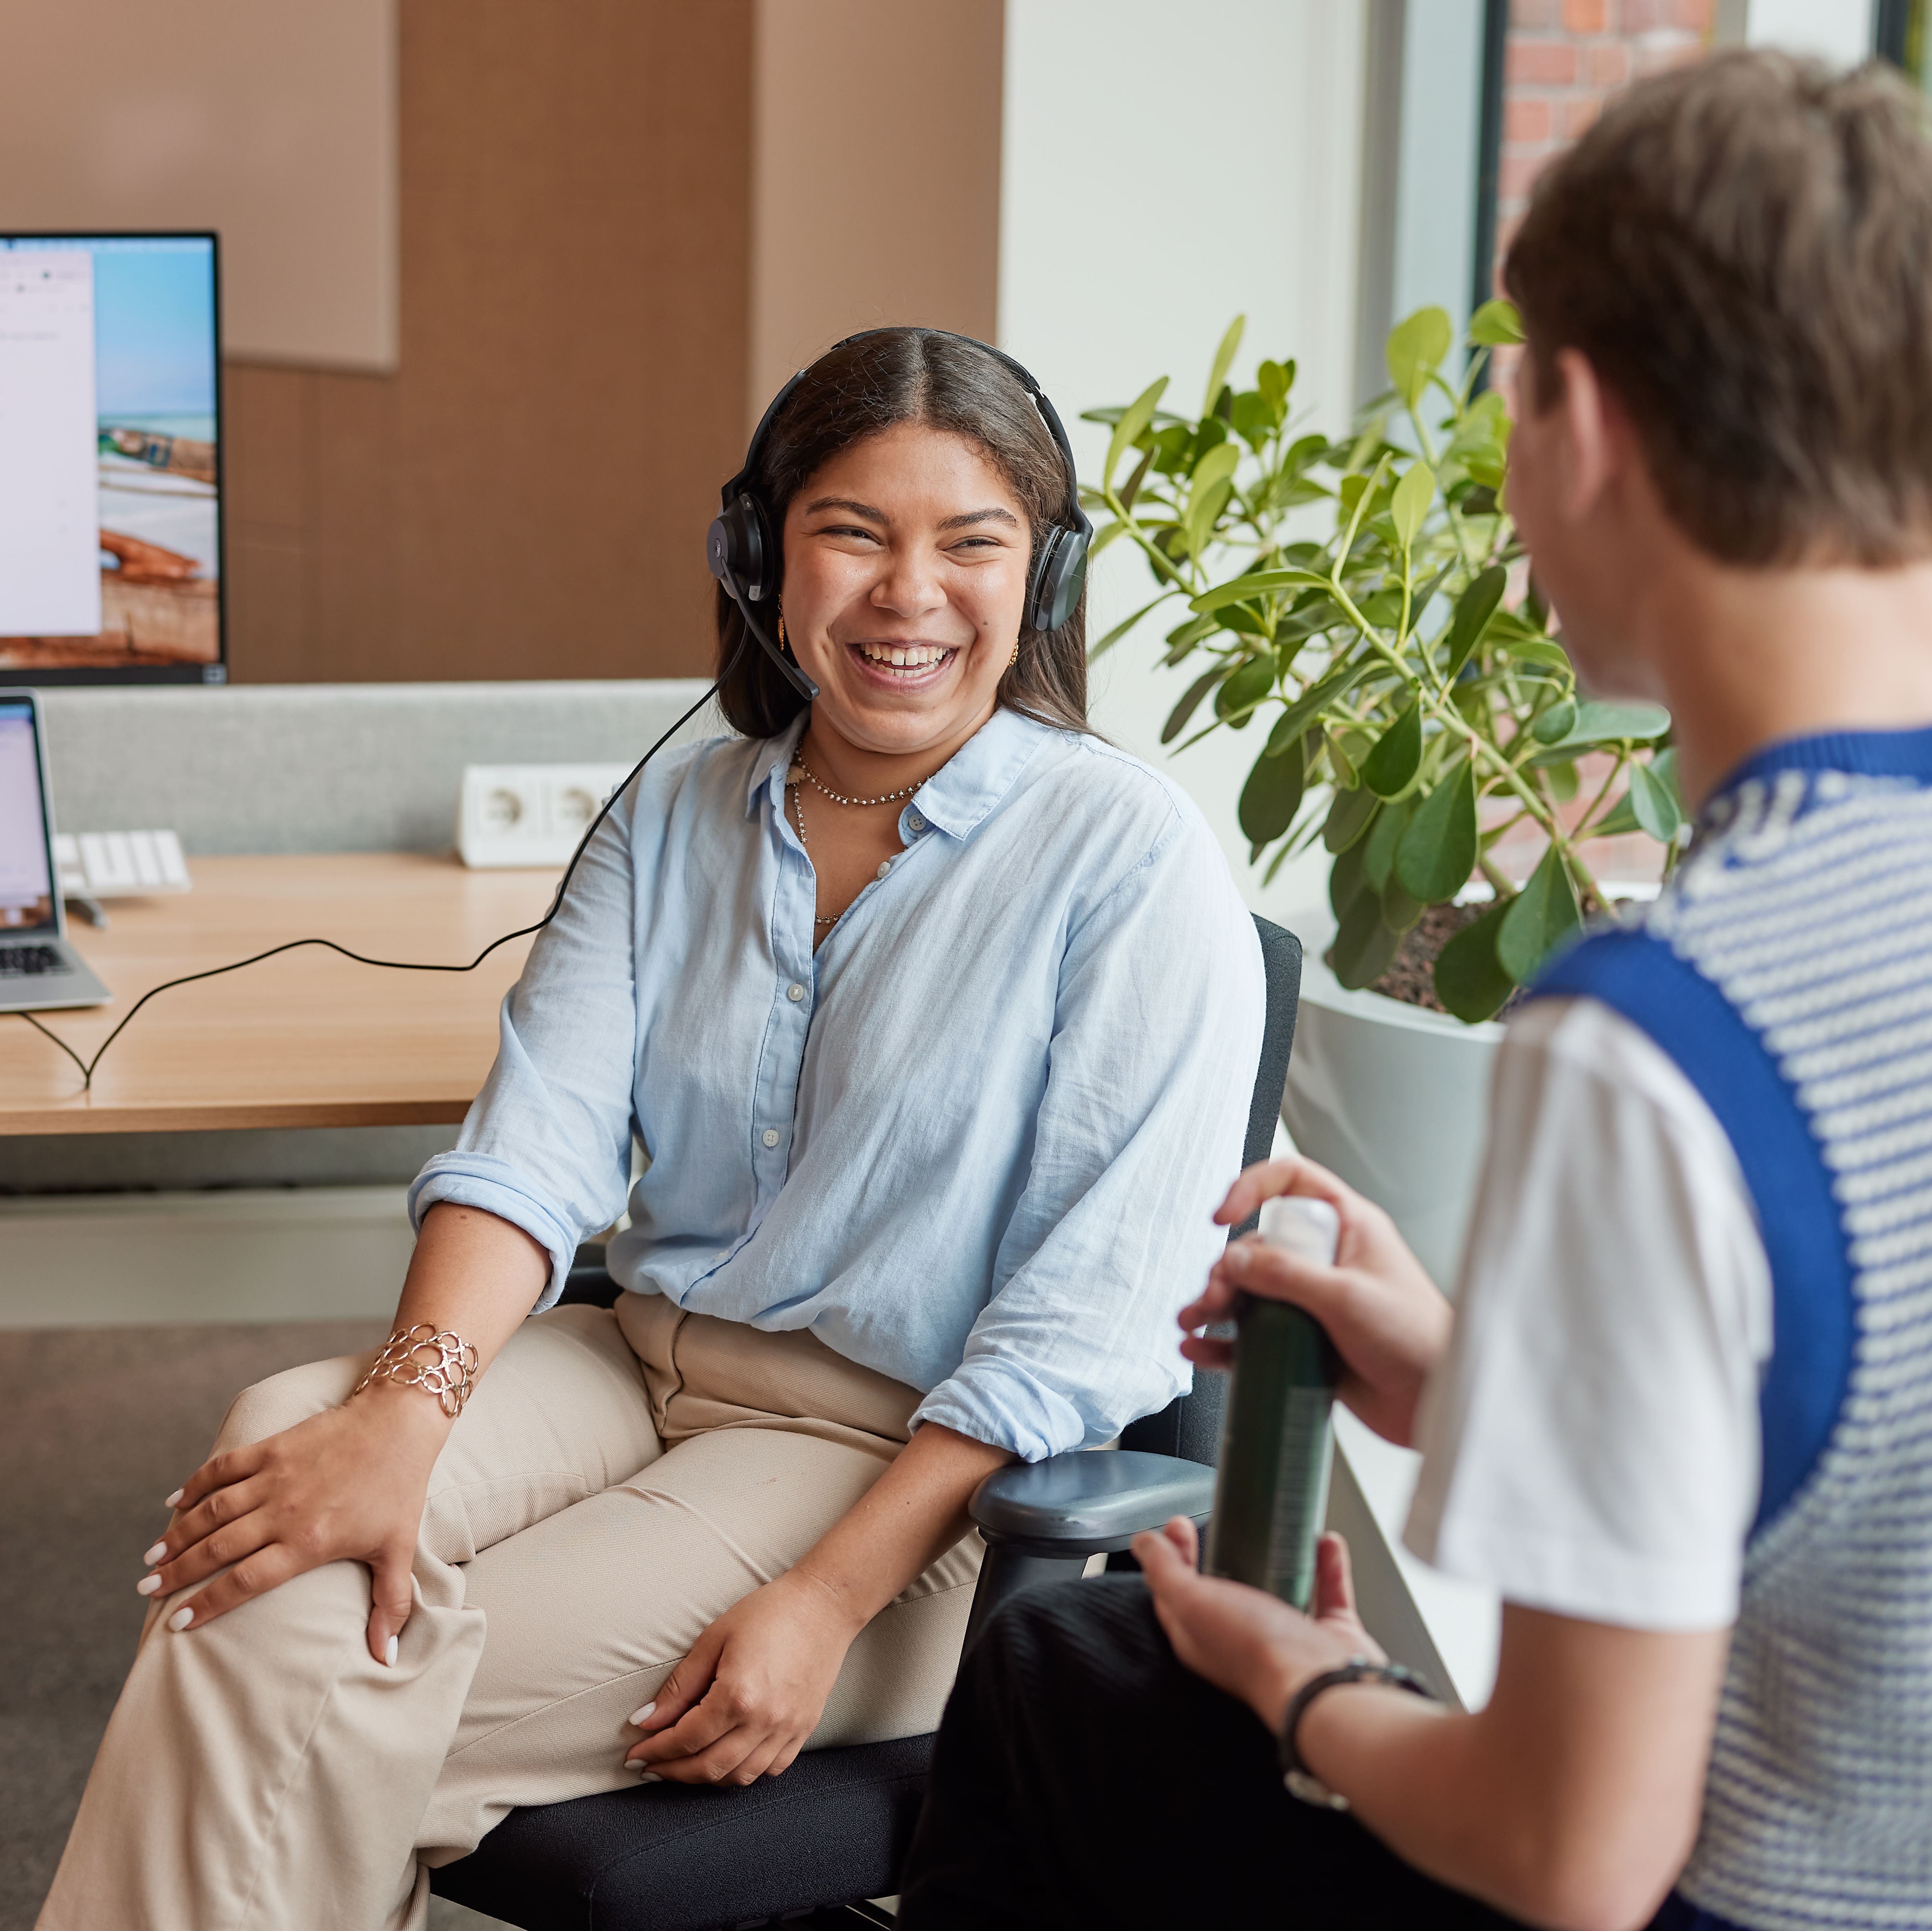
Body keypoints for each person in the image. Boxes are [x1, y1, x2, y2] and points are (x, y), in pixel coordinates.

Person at [35, 328, 1264, 1931]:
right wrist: (406, 1409)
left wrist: (824, 1602)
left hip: (895, 1469)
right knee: (286, 1459)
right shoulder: (677, 813)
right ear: (759, 559)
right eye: (851, 533)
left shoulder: (1129, 858)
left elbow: (1086, 1321)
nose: (908, 594)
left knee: (289, 1656)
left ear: (1042, 577)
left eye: (970, 543)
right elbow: (530, 1151)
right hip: (640, 1361)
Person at [897, 51, 1932, 1931]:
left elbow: (1572, 1850)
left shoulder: (1665, 1030)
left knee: (1077, 1672)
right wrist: (1480, 1380)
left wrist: (1302, 1681)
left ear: (1582, 424)